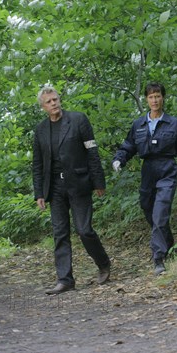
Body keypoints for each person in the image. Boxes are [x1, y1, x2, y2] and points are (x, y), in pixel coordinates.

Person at [113, 82, 177, 275]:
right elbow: (128, 145)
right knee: (149, 210)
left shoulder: (173, 124)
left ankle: (158, 258)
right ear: (146, 100)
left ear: (163, 98)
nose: (155, 100)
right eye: (151, 97)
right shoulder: (139, 124)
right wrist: (119, 159)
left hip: (167, 169)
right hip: (148, 171)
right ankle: (169, 245)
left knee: (160, 213)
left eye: (158, 96)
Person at [33, 86, 111, 295]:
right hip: (55, 188)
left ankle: (103, 263)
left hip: (78, 183)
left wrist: (98, 181)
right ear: (43, 107)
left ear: (60, 100)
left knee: (84, 229)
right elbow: (37, 163)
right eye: (49, 102)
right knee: (60, 233)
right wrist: (39, 192)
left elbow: (92, 152)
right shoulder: (40, 130)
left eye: (55, 99)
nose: (54, 103)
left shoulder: (78, 120)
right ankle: (65, 279)